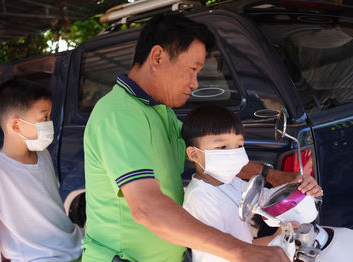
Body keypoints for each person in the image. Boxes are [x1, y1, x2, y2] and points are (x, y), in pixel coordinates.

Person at [82, 13, 320, 262]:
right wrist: (243, 251)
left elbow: (216, 157)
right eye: (192, 69)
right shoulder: (121, 115)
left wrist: (277, 177)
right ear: (158, 57)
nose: (195, 83)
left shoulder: (159, 112)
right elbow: (147, 207)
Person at [181, 105, 323, 262]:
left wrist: (303, 187)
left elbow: (270, 200)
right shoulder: (200, 198)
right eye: (222, 147)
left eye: (239, 146)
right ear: (194, 154)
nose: (233, 153)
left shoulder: (230, 182)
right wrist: (278, 239)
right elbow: (221, 256)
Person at [0, 78, 83, 262]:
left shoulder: (43, 155)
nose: (49, 123)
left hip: (74, 246)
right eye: (44, 117)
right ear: (16, 125)